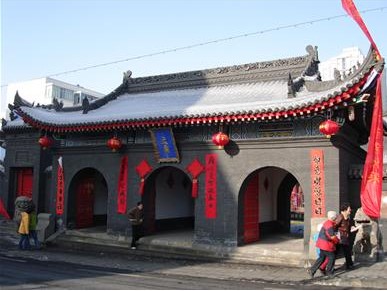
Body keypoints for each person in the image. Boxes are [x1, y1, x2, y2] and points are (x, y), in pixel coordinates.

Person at [308, 211, 340, 278]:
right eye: (336, 217)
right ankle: (329, 272)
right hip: (326, 245)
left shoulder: (327, 223)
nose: (337, 218)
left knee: (321, 258)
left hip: (321, 244)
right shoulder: (329, 225)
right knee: (332, 257)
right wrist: (337, 240)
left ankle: (312, 270)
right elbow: (332, 236)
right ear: (333, 218)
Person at [335, 202, 360, 270]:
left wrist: (352, 228)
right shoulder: (340, 217)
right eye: (349, 209)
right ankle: (327, 267)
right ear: (345, 210)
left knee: (347, 252)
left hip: (345, 237)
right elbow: (334, 226)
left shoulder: (347, 218)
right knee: (336, 253)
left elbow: (347, 227)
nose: (350, 210)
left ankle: (349, 265)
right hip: (340, 238)